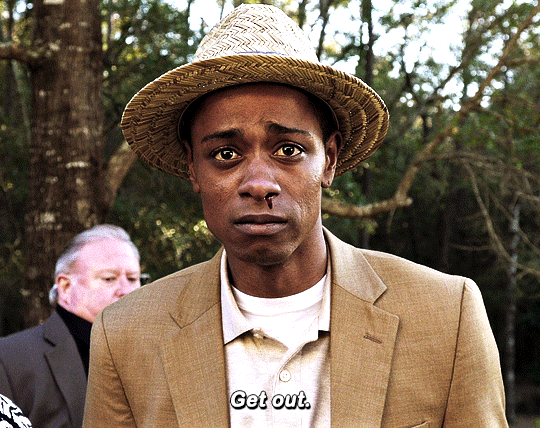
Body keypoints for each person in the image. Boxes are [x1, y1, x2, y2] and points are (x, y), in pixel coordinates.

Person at [83, 5, 508, 428]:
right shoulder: (125, 335)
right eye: (226, 154)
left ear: (329, 160)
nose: (259, 184)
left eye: (288, 150)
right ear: (194, 168)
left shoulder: (446, 315)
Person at [0, 224, 141, 428]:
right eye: (109, 278)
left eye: (133, 279)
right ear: (65, 286)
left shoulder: (154, 354)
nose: (126, 290)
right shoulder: (8, 358)